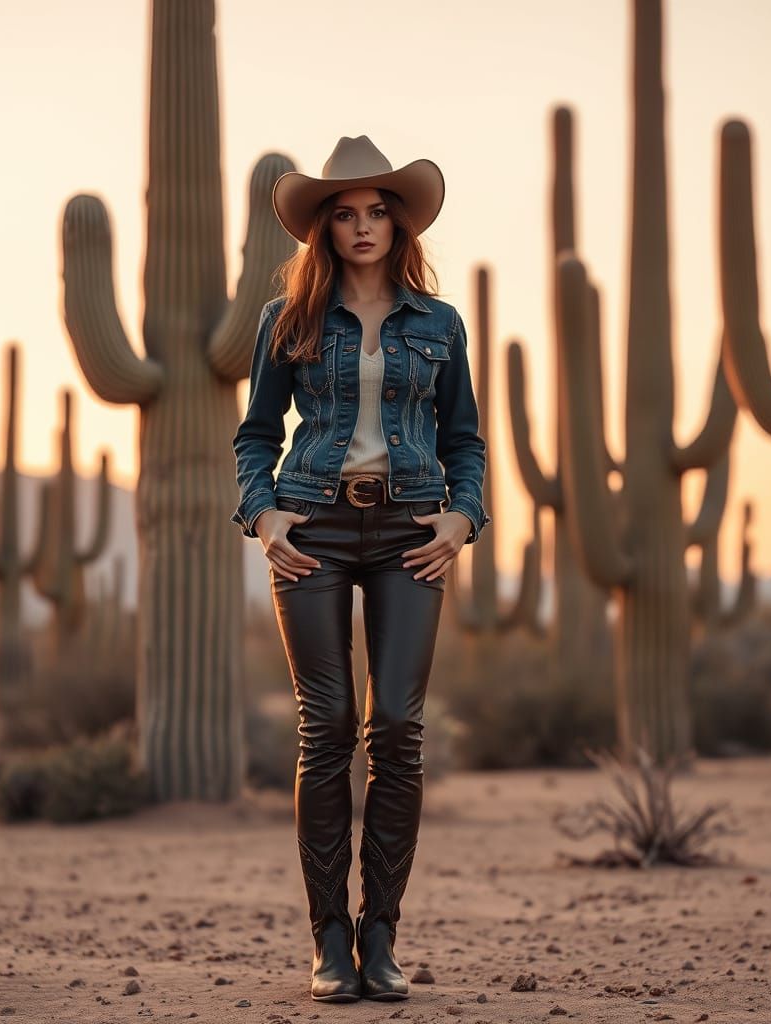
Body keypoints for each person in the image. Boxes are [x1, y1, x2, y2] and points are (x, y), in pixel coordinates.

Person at [230, 135, 491, 1003]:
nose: (362, 226)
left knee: (400, 732)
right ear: (324, 230)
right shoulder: (288, 322)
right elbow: (256, 436)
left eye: (377, 211)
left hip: (413, 530)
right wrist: (263, 516)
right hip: (313, 529)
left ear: (399, 221)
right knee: (327, 725)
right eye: (344, 214)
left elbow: (465, 441)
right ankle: (328, 941)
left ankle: (382, 934)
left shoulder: (439, 323)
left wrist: (463, 515)